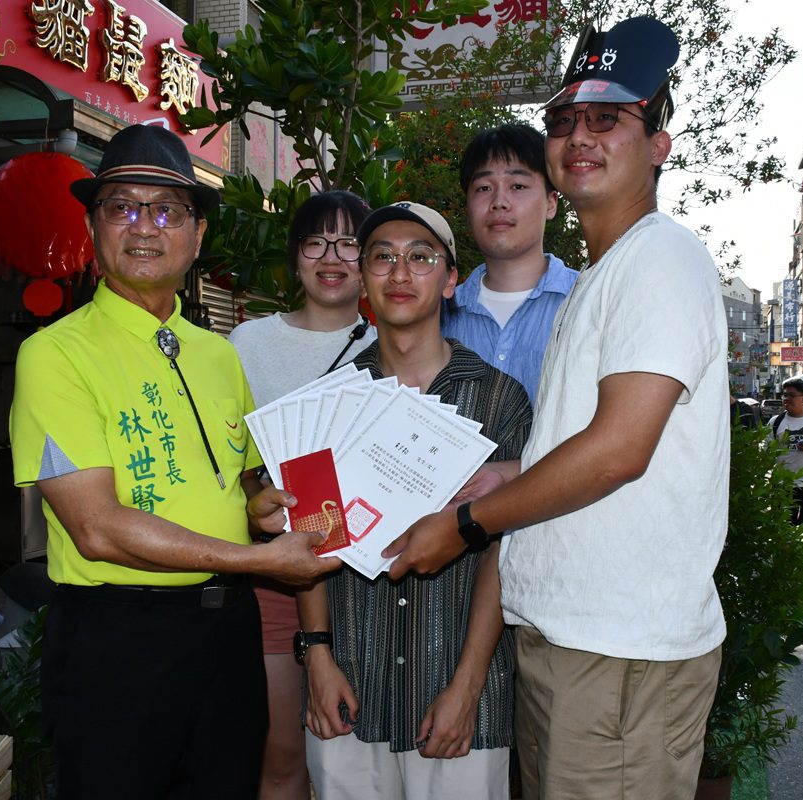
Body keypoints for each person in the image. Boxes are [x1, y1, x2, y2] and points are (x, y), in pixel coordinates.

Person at [380, 17, 728, 799]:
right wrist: (511, 474)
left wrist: (467, 524)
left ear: (659, 144)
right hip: (573, 644)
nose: (580, 135)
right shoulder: (603, 276)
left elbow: (619, 449)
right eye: (565, 120)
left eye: (608, 118)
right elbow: (595, 443)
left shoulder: (659, 257)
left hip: (620, 654)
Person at [9, 124, 339, 799]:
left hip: (228, 635)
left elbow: (242, 480)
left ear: (197, 234)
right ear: (93, 226)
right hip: (119, 641)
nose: (144, 227)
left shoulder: (218, 353)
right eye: (121, 207)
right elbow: (96, 528)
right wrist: (257, 560)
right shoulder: (54, 354)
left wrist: (260, 506)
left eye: (167, 210)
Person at [296, 201, 532, 798]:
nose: (400, 273)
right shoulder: (327, 400)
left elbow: (504, 552)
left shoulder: (500, 400)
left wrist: (469, 687)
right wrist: (317, 658)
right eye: (383, 257)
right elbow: (311, 541)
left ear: (451, 280)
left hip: (455, 697)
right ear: (363, 278)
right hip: (350, 687)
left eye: (421, 258)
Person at [227, 190, 376, 800]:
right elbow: (229, 461)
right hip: (277, 578)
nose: (331, 257)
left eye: (349, 244)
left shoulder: (391, 342)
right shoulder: (247, 343)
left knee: (357, 757)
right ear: (294, 258)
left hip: (366, 581)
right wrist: (255, 498)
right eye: (316, 242)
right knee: (282, 754)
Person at [443, 123, 578, 402]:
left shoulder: (587, 300)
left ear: (551, 203)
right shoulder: (440, 315)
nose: (499, 202)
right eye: (483, 188)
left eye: (518, 186)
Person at [769, 377, 803, 543]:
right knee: (782, 526)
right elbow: (766, 452)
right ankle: (785, 555)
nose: (787, 399)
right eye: (785, 395)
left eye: (792, 395)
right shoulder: (775, 422)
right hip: (783, 484)